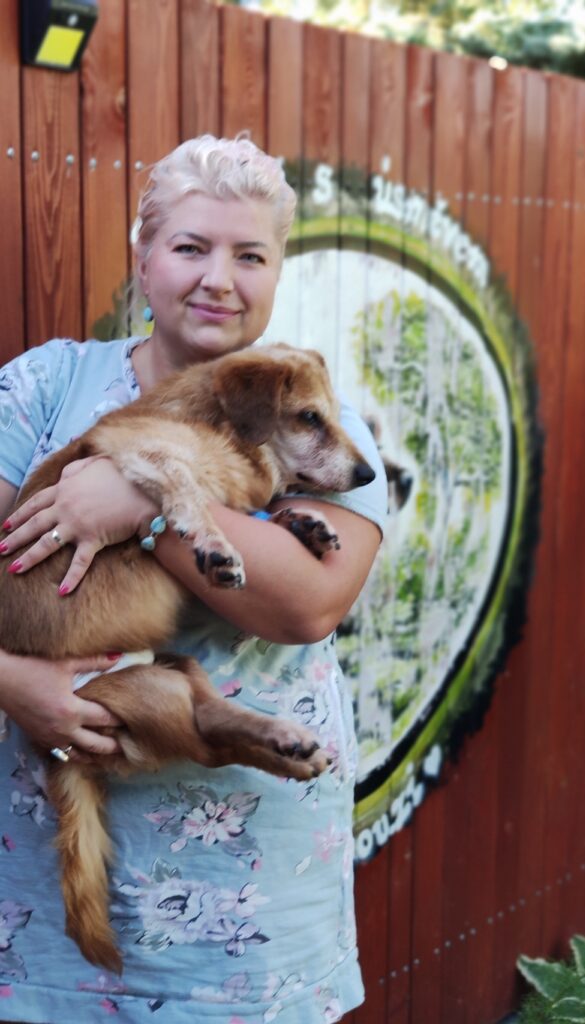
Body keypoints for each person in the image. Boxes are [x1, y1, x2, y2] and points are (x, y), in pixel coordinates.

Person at [0, 135, 387, 1024]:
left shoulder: (317, 423)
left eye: (250, 255)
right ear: (143, 259)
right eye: (190, 247)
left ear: (277, 271)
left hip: (246, 889)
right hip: (39, 871)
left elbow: (306, 603)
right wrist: (11, 681)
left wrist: (136, 498)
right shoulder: (45, 387)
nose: (220, 279)